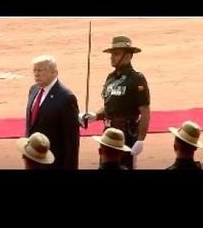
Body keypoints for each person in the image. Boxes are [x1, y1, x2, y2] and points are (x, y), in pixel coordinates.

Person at [80, 36, 150, 169]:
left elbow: (145, 112)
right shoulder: (110, 77)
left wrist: (140, 139)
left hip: (126, 134)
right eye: (112, 54)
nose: (112, 57)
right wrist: (95, 116)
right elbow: (110, 106)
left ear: (129, 56)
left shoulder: (136, 79)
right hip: (107, 132)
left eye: (116, 54)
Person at [26, 55, 80, 169]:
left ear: (54, 72)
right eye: (34, 70)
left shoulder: (66, 98)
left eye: (40, 70)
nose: (36, 74)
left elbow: (71, 141)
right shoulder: (33, 90)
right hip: (33, 160)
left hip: (53, 162)